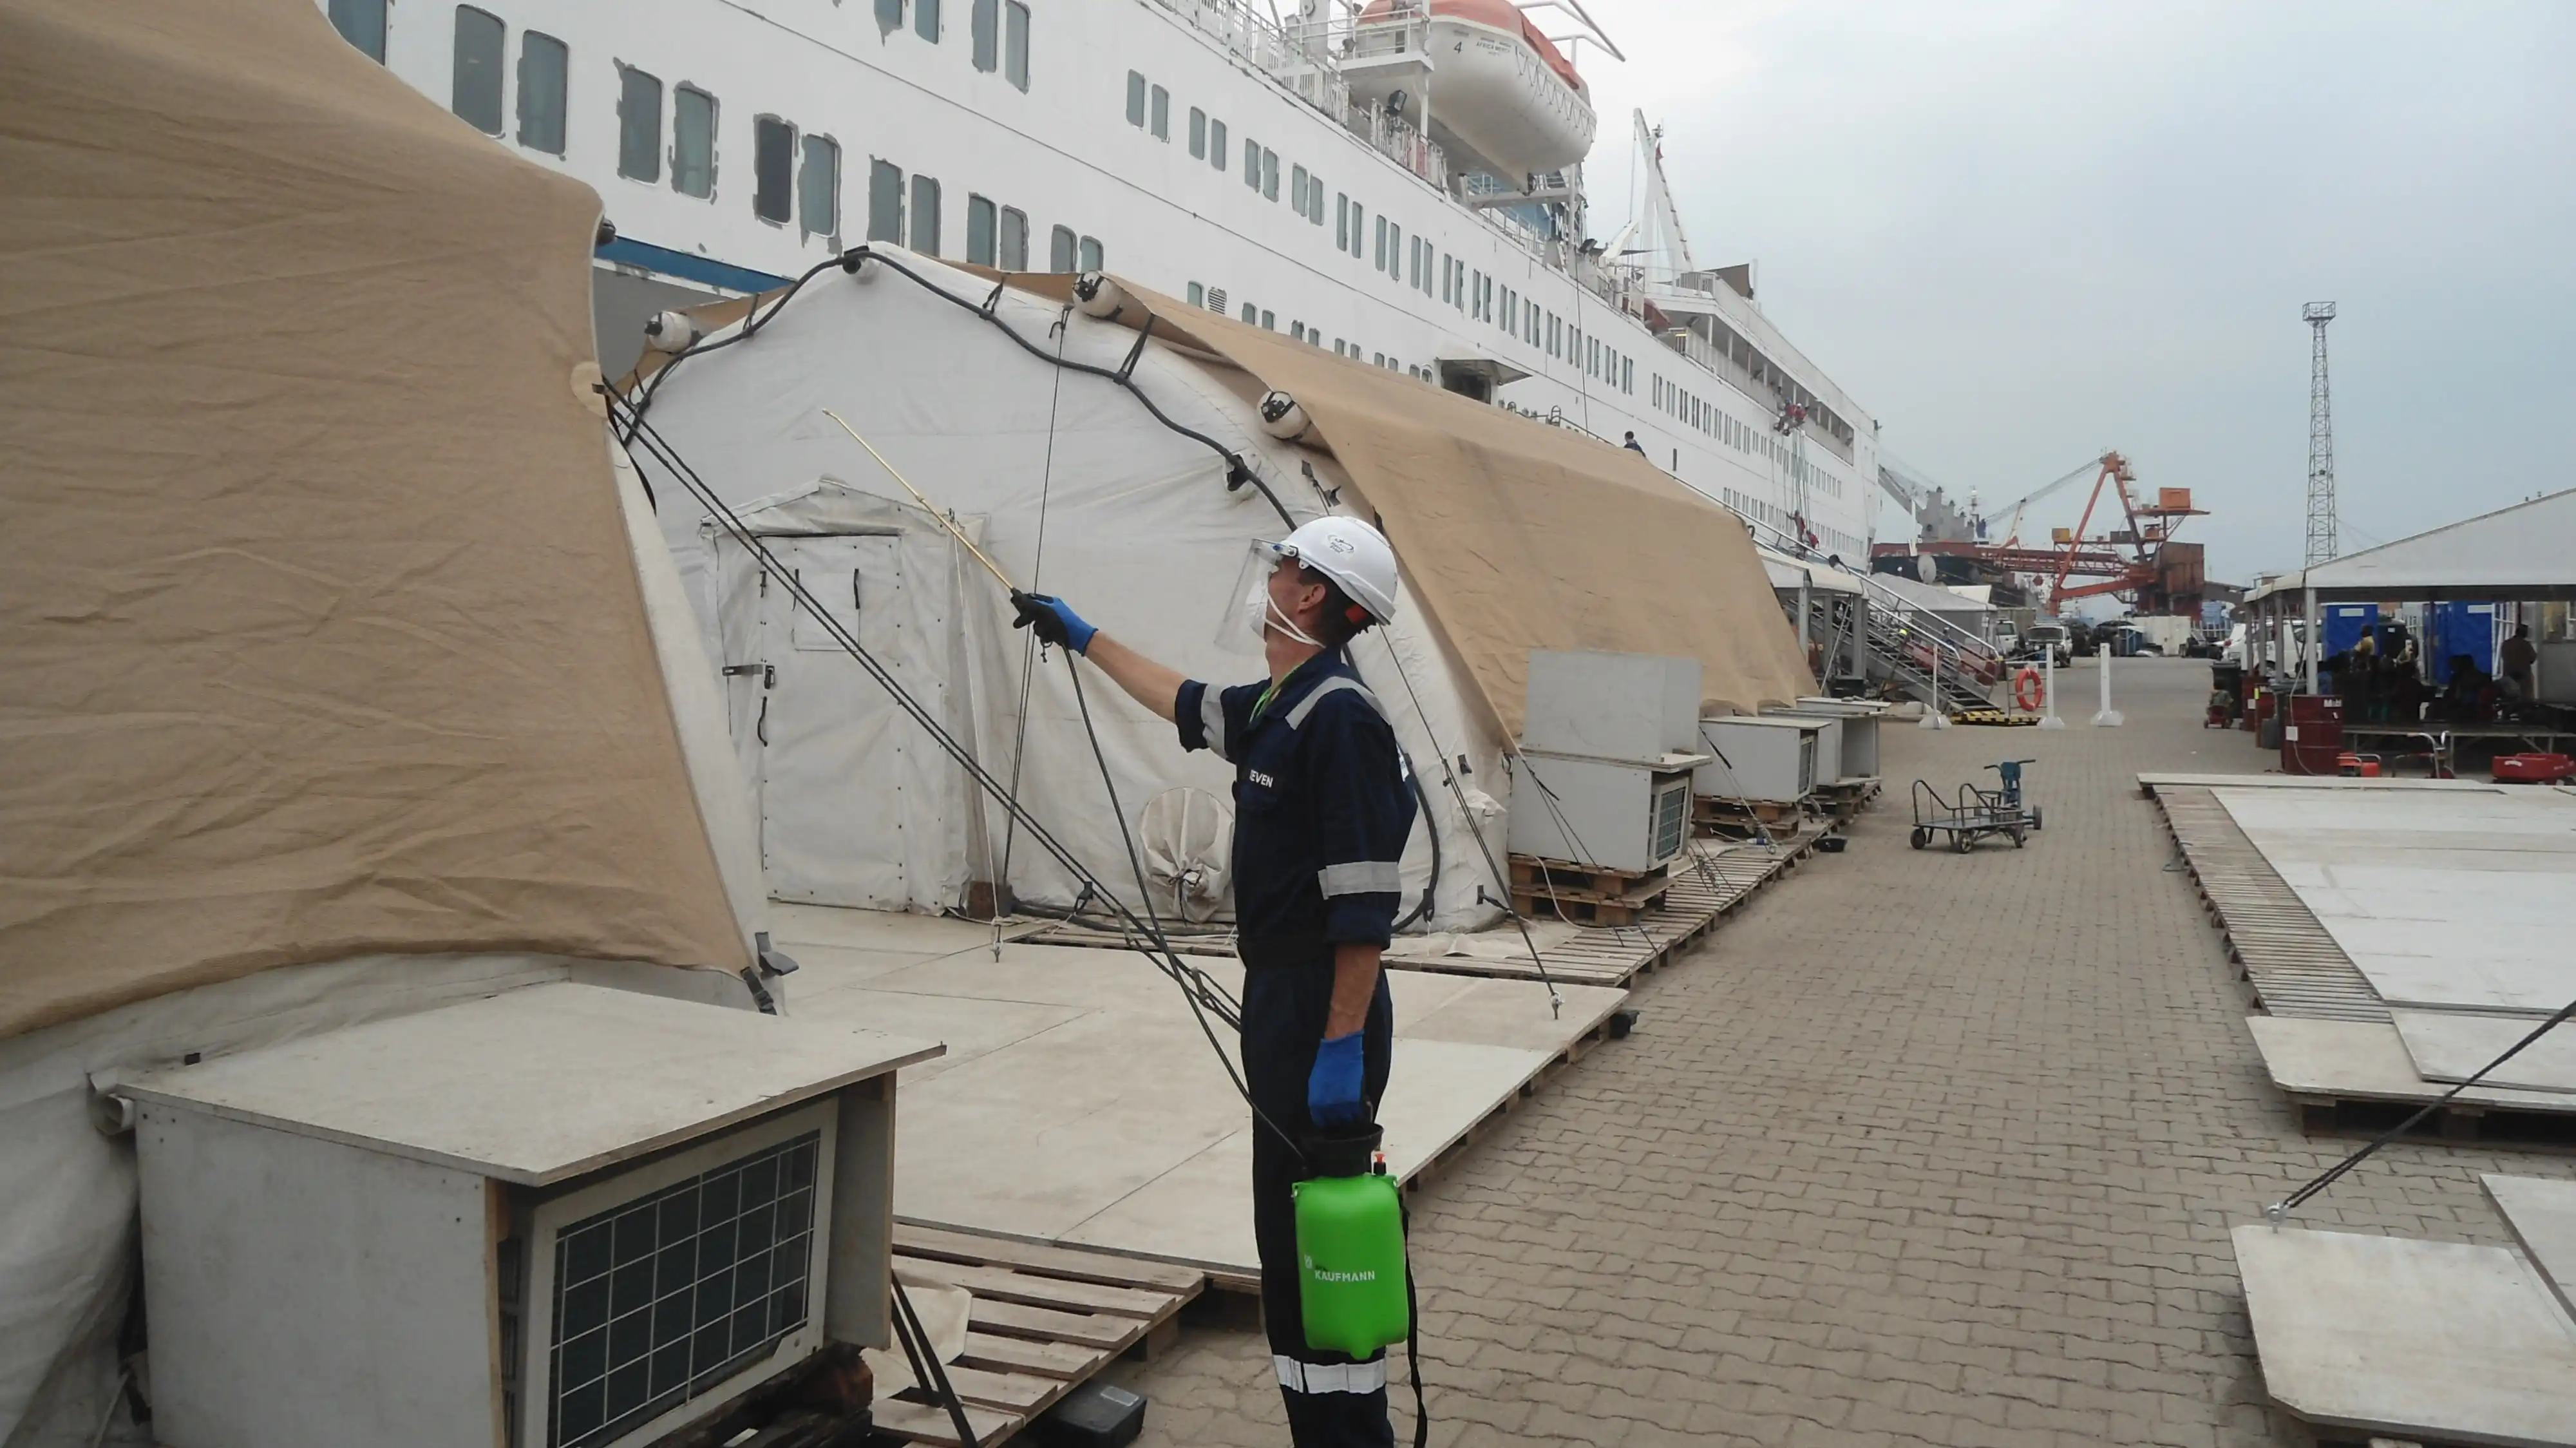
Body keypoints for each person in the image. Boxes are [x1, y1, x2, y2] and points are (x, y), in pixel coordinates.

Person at [1010, 517, 1414, 1447]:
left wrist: (1340, 1048)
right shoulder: (1282, 702)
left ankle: (1353, 1436)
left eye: (1283, 566)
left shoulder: (1340, 718)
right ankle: (1322, 1429)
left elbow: (1363, 913)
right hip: (1285, 999)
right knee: (1286, 1229)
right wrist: (1082, 635)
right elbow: (1183, 700)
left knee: (1318, 1239)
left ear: (1313, 592)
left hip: (1321, 1005)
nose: (1268, 579)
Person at [2502, 624, 2539, 700]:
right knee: (2525, 696)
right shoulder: (2525, 644)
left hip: (2508, 674)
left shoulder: (2506, 644)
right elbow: (2532, 658)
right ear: (2525, 633)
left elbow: (2503, 656)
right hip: (2523, 675)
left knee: (2509, 696)